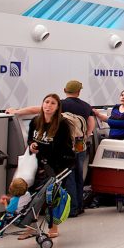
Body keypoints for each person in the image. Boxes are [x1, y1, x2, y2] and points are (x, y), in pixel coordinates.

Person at [7, 80, 96, 218]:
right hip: (80, 145)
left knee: (69, 178)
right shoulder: (85, 106)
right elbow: (91, 122)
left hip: (65, 151)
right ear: (79, 91)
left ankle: (70, 209)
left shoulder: (62, 105)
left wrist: (16, 111)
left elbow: (34, 110)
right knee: (79, 176)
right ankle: (79, 206)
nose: (49, 105)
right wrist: (86, 135)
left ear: (65, 90)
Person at [26, 94, 75, 239]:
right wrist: (32, 145)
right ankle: (31, 226)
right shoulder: (35, 121)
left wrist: (44, 151)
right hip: (37, 163)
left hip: (57, 165)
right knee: (31, 195)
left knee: (52, 197)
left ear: (57, 107)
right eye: (46, 102)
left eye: (52, 103)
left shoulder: (62, 124)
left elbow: (64, 148)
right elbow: (30, 139)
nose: (48, 105)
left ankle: (53, 226)